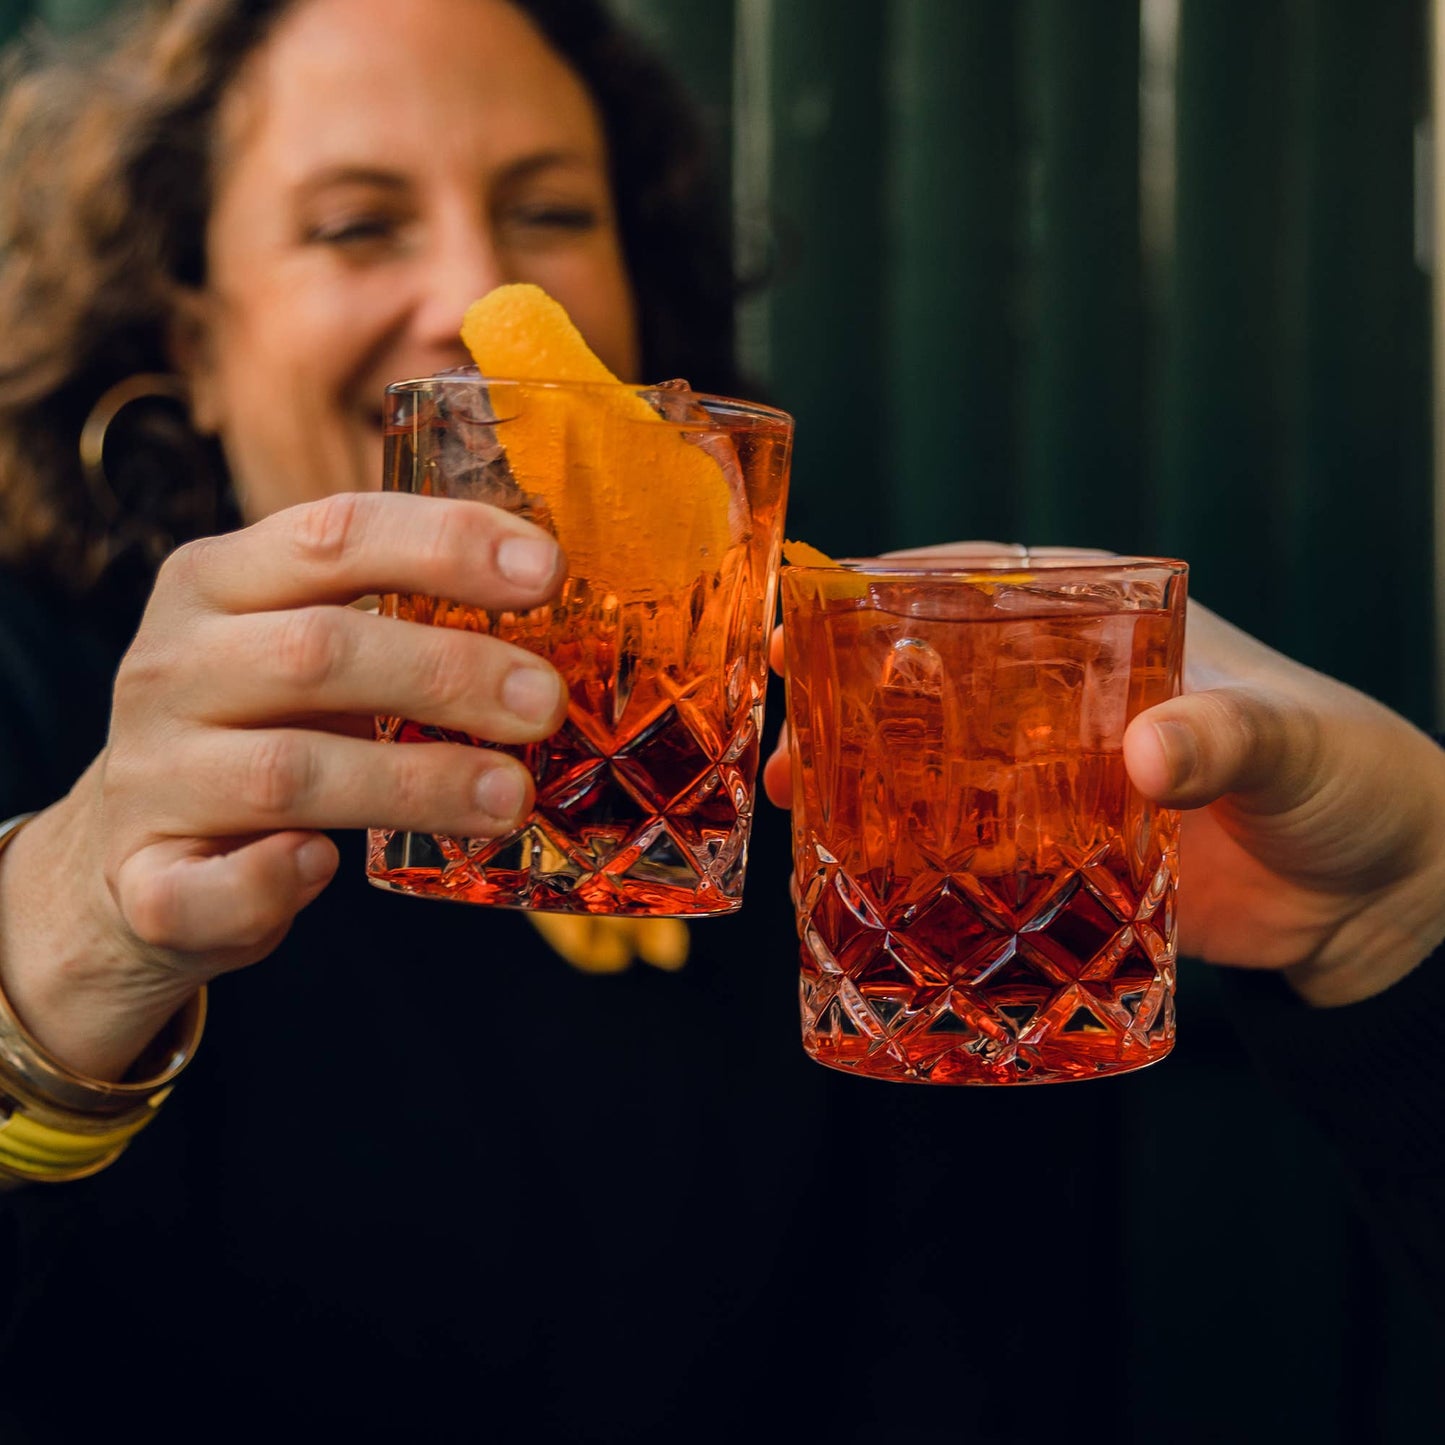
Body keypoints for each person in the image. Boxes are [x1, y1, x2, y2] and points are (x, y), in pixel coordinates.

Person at [0, 3, 1438, 1443]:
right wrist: (46, 956)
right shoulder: (39, 694)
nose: (473, 287)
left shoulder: (861, 765)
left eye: (551, 210)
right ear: (185, 335)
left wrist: (1402, 933)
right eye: (354, 226)